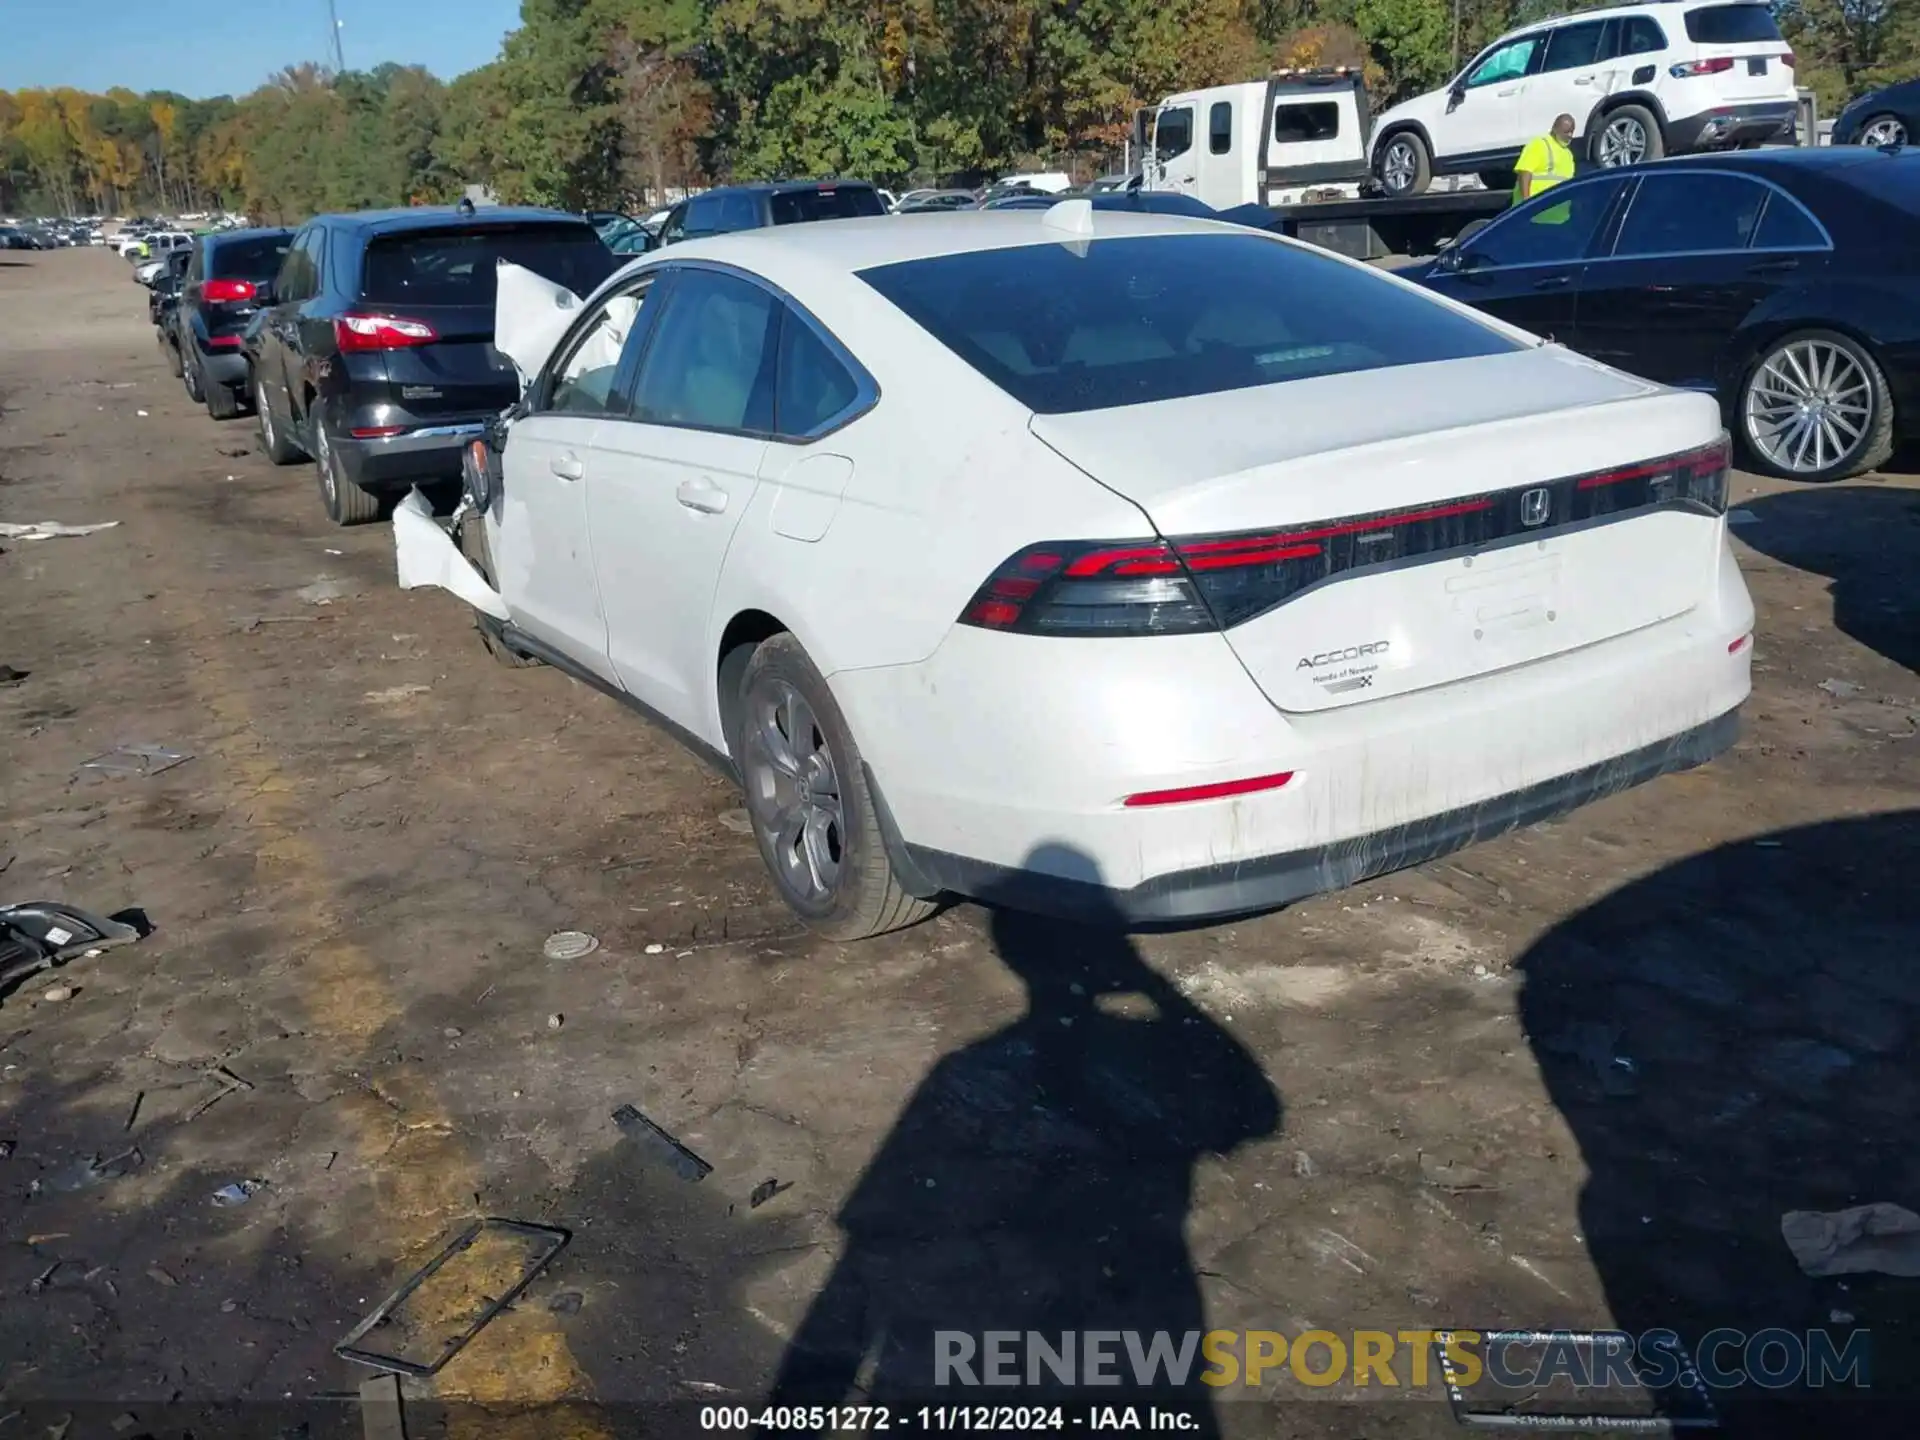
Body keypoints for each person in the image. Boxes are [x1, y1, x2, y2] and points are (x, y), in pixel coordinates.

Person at [1514, 113, 1578, 204]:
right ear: (1555, 129)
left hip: (1559, 214)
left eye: (1572, 131)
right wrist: (1526, 203)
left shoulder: (1568, 155)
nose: (1570, 135)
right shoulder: (1540, 144)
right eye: (1566, 131)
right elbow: (1524, 172)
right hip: (1535, 211)